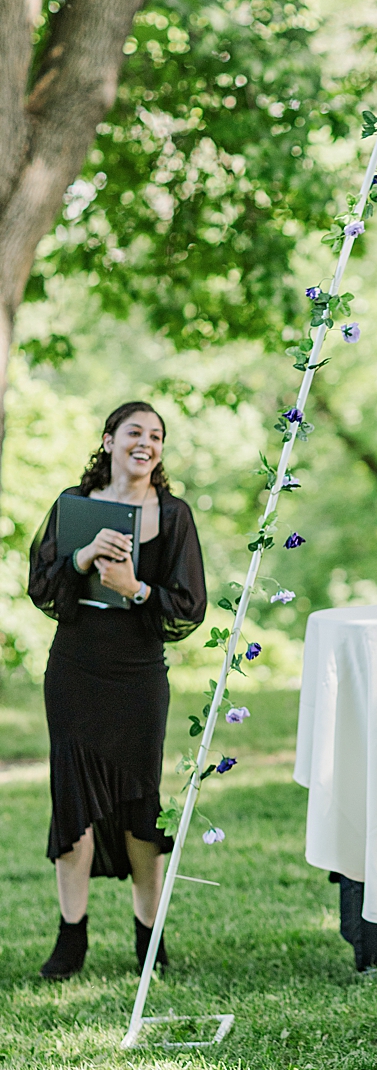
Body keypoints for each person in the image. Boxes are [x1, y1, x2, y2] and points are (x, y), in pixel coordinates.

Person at [28, 401, 207, 980]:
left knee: (139, 807)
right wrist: (81, 558)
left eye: (156, 436)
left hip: (138, 679)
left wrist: (134, 588)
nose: (146, 443)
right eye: (135, 432)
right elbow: (41, 585)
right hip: (76, 672)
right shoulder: (72, 506)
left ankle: (148, 937)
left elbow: (188, 607)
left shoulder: (174, 515)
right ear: (108, 440)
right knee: (72, 803)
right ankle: (70, 938)